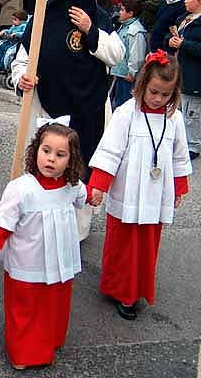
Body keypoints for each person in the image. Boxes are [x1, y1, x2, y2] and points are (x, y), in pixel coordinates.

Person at [12, 0, 125, 241]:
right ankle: (41, 224)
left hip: (88, 107)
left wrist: (91, 31)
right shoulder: (43, 18)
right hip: (48, 106)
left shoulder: (96, 14)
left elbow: (116, 54)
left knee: (80, 165)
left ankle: (75, 231)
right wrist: (21, 76)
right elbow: (22, 59)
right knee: (45, 163)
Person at [89, 51, 192, 320]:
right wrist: (99, 185)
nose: (158, 99)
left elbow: (179, 155)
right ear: (143, 84)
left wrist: (179, 186)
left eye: (165, 95)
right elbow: (110, 151)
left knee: (146, 246)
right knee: (121, 243)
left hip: (154, 194)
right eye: (154, 92)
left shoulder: (175, 119)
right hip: (127, 191)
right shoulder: (126, 114)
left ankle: (134, 292)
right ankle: (117, 287)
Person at [0, 121, 98, 370]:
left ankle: (50, 340)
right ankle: (23, 352)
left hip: (59, 261)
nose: (50, 159)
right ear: (35, 150)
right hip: (28, 261)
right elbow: (2, 221)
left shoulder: (71, 186)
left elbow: (85, 196)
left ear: (71, 160)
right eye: (45, 151)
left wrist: (95, 194)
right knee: (25, 307)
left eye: (60, 155)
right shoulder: (21, 189)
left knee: (54, 304)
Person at [169, 0, 201, 160]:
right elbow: (171, 37)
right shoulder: (183, 18)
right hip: (178, 72)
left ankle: (193, 145)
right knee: (178, 109)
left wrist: (184, 44)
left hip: (194, 76)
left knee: (192, 113)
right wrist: (171, 41)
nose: (185, 1)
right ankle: (178, 141)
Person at [111, 0, 147, 108]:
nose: (120, 13)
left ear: (130, 13)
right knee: (117, 104)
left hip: (128, 77)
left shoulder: (135, 31)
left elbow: (137, 55)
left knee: (125, 105)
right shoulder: (123, 26)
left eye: (122, 10)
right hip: (120, 73)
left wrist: (132, 73)